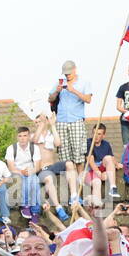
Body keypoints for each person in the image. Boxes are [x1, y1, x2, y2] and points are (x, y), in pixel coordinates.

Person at [49, 60, 94, 208]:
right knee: (65, 160)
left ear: (75, 70)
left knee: (79, 158)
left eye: (69, 73)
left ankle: (81, 192)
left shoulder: (84, 82)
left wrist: (72, 89)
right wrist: (57, 91)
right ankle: (71, 194)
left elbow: (88, 99)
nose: (67, 76)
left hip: (76, 121)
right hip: (61, 121)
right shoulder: (59, 82)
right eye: (65, 74)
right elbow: (50, 99)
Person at [5, 127, 41, 220]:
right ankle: (25, 206)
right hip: (16, 172)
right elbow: (11, 167)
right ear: (17, 137)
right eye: (20, 136)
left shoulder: (34, 148)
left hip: (30, 172)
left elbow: (37, 167)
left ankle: (35, 211)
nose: (22, 138)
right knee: (23, 180)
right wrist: (21, 172)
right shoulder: (11, 148)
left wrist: (30, 172)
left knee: (35, 181)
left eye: (25, 135)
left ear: (29, 136)